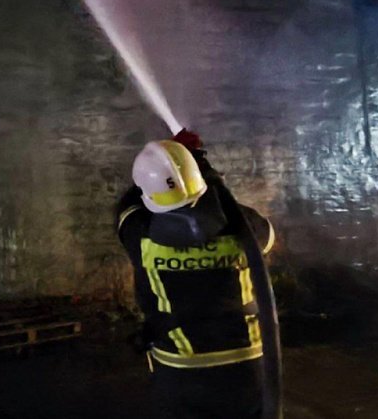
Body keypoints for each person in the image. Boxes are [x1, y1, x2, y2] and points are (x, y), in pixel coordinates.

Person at [116, 131, 276, 419]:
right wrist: (202, 173)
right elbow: (261, 229)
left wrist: (166, 177)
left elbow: (127, 207)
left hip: (180, 369)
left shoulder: (138, 235)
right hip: (246, 365)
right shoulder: (241, 229)